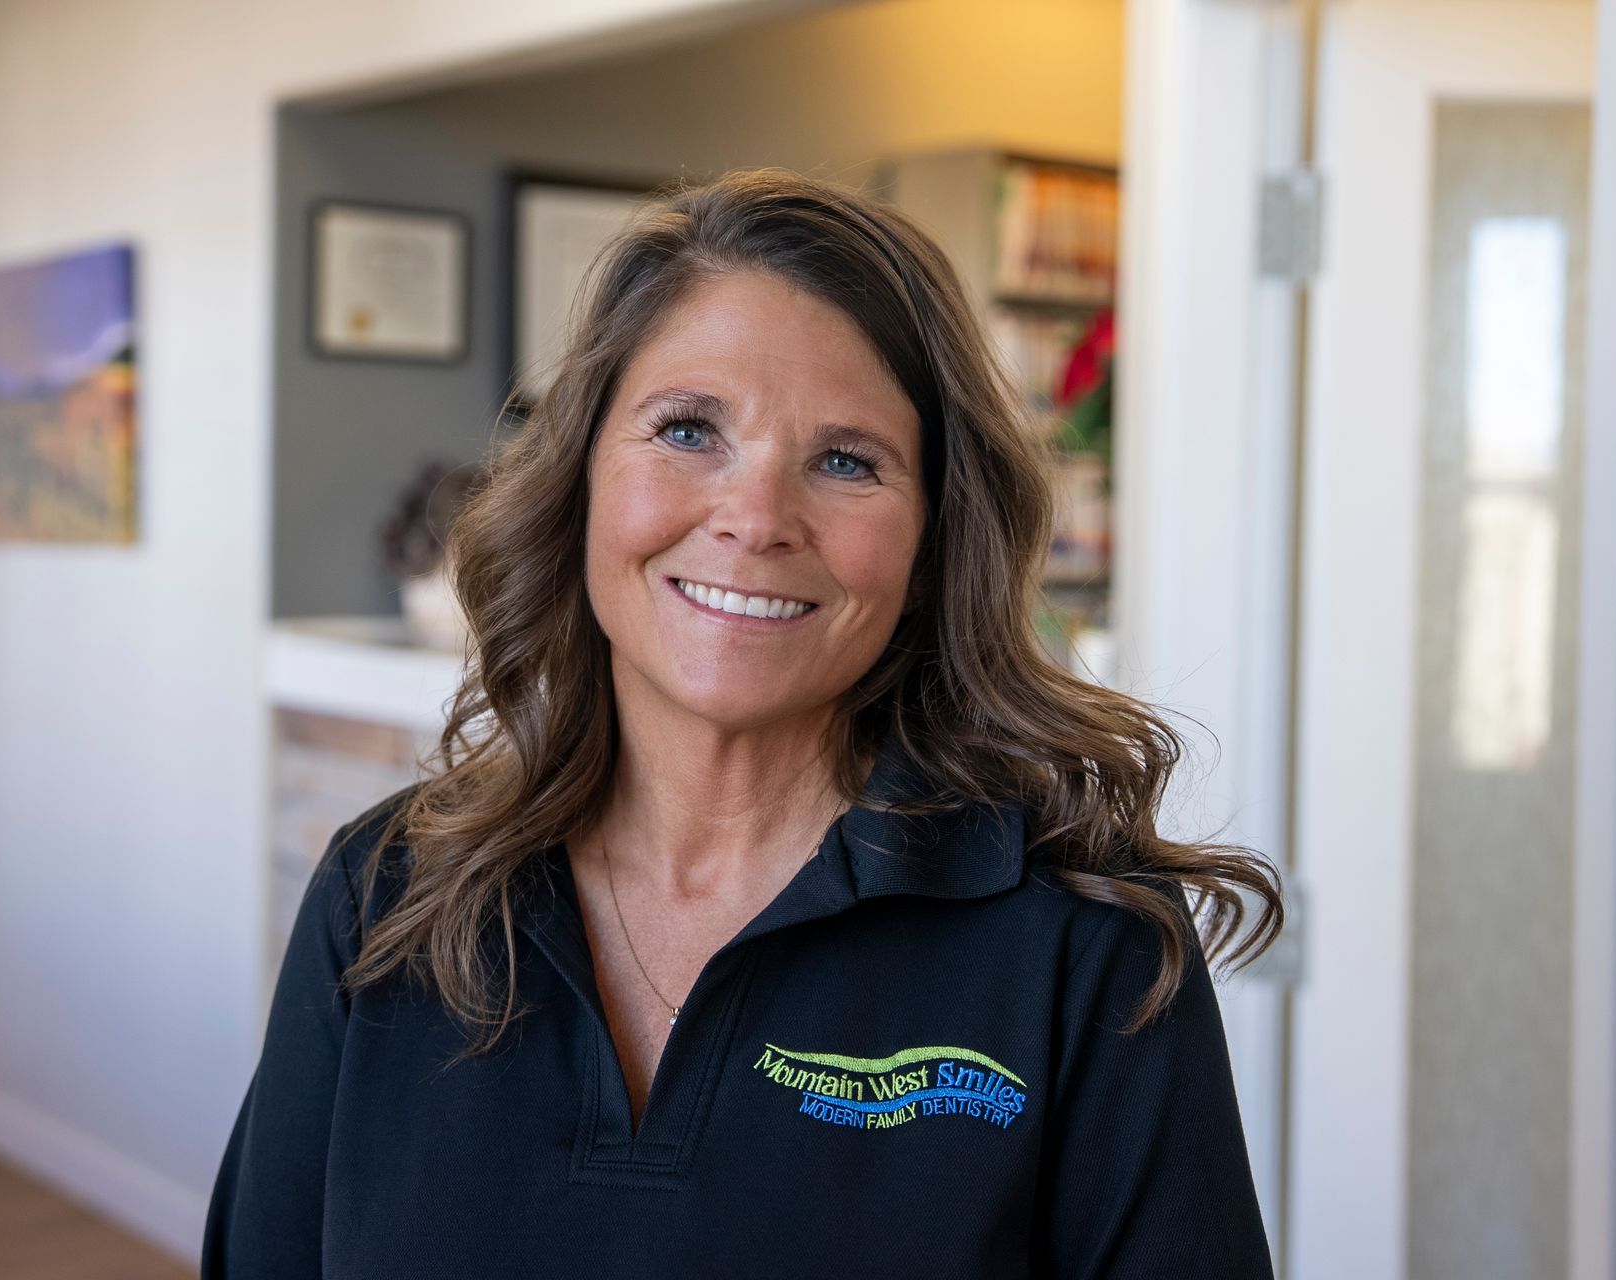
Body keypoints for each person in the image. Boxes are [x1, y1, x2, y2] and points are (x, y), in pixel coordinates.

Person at [202, 167, 1284, 1278]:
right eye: (687, 430)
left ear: (931, 541)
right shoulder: (384, 894)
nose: (756, 518)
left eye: (847, 460)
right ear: (579, 477)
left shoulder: (1087, 945)